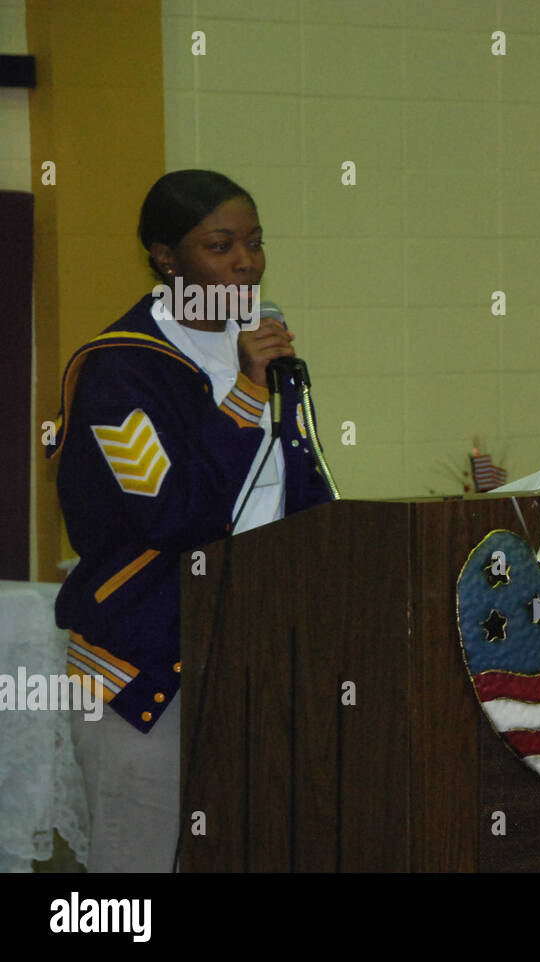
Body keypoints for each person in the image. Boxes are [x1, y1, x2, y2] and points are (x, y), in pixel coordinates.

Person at [46, 170, 333, 871]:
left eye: (256, 243)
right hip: (145, 661)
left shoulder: (269, 352)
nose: (247, 261)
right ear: (167, 257)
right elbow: (176, 517)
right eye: (221, 244)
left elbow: (301, 494)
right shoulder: (119, 368)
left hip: (259, 653)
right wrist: (243, 396)